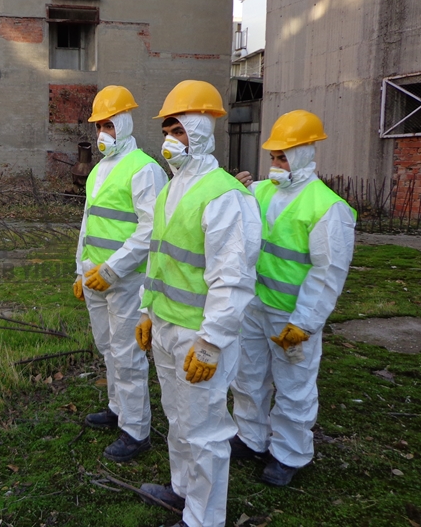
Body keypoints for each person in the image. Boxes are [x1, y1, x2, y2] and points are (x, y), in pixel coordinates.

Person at [135, 80, 262, 527]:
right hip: (168, 329)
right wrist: (147, 311)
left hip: (201, 335)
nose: (171, 140)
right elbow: (160, 259)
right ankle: (183, 491)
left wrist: (211, 343)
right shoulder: (172, 189)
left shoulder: (226, 195)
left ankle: (203, 519)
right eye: (167, 130)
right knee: (178, 417)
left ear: (202, 130)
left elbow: (234, 280)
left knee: (206, 429)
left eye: (180, 130)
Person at [229, 110, 356, 486]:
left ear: (303, 154)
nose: (275, 164)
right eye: (273, 156)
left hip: (291, 316)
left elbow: (328, 272)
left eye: (282, 157)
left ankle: (290, 454)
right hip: (254, 307)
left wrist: (305, 322)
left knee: (294, 386)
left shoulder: (327, 207)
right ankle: (251, 438)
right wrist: (233, 189)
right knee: (247, 377)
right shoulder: (261, 192)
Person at [73, 85, 168, 462]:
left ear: (125, 123)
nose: (103, 134)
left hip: (126, 281)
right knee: (107, 347)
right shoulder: (98, 171)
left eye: (110, 125)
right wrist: (80, 270)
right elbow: (87, 223)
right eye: (99, 126)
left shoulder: (145, 170)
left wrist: (112, 270)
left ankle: (136, 431)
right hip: (96, 279)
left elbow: (150, 231)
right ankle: (118, 408)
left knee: (128, 354)